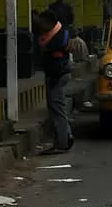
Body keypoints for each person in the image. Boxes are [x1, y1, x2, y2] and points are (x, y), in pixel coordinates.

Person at [35, 10, 74, 154]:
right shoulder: (56, 33)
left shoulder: (58, 36)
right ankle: (66, 137)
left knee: (57, 109)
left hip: (57, 74)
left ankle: (62, 143)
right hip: (56, 74)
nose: (40, 26)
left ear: (50, 22)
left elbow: (55, 49)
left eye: (42, 22)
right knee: (56, 107)